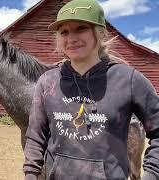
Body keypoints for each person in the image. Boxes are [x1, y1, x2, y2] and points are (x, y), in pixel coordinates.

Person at [23, 0, 159, 179]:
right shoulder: (48, 82)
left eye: (81, 28)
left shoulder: (128, 80)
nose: (71, 38)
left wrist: (152, 174)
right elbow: (35, 138)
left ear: (100, 33)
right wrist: (31, 175)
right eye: (64, 32)